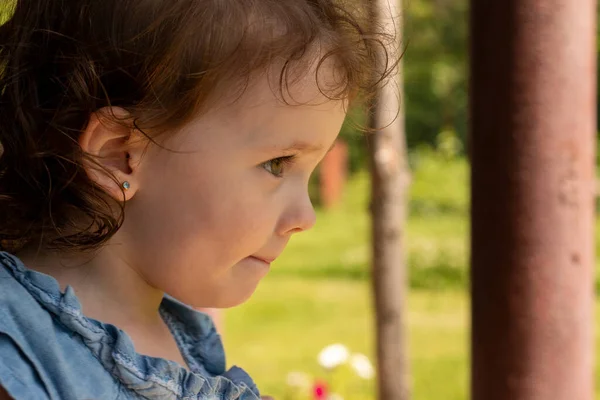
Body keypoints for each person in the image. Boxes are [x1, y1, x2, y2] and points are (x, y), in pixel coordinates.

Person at [0, 0, 396, 399]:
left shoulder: (184, 341)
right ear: (119, 156)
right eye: (277, 164)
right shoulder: (17, 361)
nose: (305, 217)